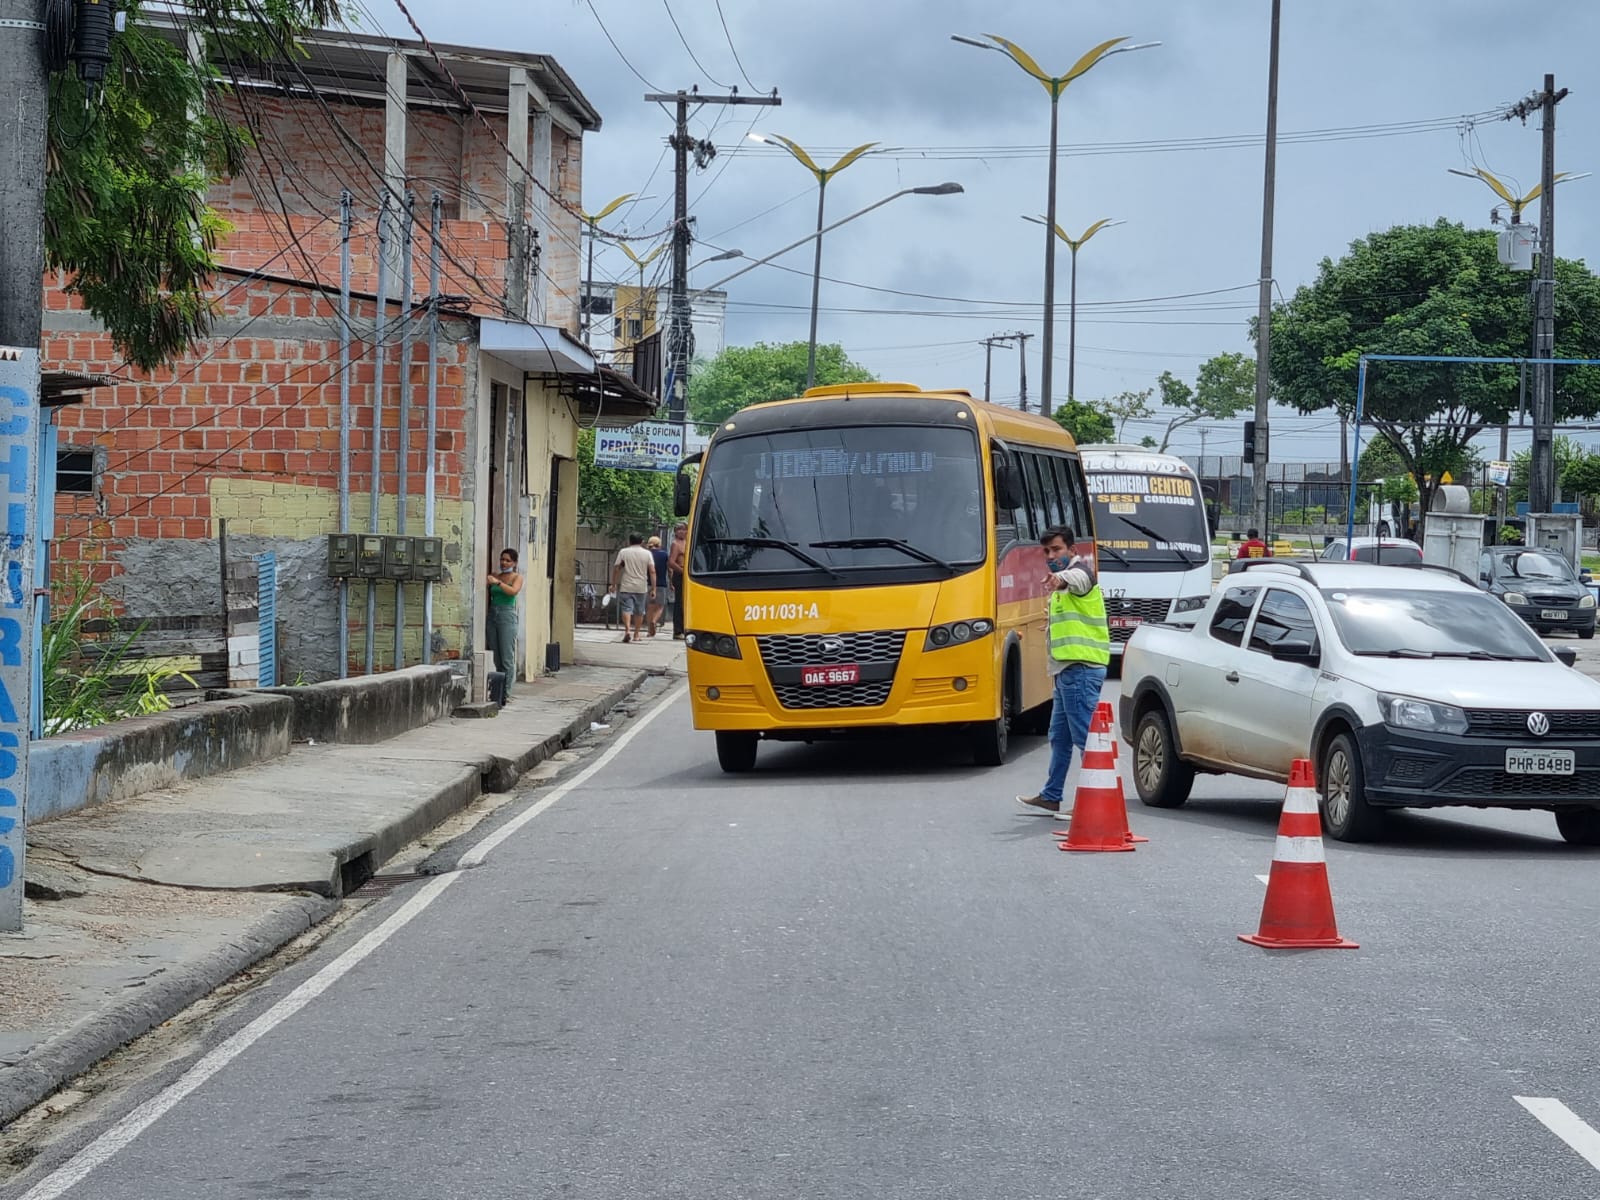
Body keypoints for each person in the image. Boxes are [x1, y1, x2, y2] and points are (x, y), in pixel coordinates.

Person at [1016, 526, 1111, 816]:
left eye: (1056, 549)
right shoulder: (1061, 589)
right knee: (1059, 737)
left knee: (1085, 739)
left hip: (1080, 670)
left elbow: (1079, 580)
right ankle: (1051, 795)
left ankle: (1097, 804)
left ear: (1072, 550)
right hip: (1067, 672)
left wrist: (1060, 578)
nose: (1051, 556)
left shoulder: (1080, 574)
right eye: (1046, 551)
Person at [485, 548, 523, 704]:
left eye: (508, 560)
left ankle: (506, 692)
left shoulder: (516, 577)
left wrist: (499, 583)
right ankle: (498, 689)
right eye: (502, 559)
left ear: (514, 563)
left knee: (507, 656)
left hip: (507, 616)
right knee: (497, 655)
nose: (504, 563)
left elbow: (513, 592)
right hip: (493, 614)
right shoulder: (495, 575)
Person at [610, 532, 656, 644]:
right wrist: (654, 588)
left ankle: (627, 630)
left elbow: (617, 568)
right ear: (642, 542)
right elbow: (652, 571)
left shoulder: (623, 552)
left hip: (626, 585)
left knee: (626, 609)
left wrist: (613, 584)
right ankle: (636, 634)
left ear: (629, 541)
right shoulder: (647, 554)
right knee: (639, 611)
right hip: (641, 587)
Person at [646, 534, 671, 638]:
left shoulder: (647, 554)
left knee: (650, 607)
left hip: (647, 583)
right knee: (660, 606)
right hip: (661, 583)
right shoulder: (664, 555)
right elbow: (669, 570)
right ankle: (654, 620)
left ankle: (649, 630)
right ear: (659, 544)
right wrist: (671, 581)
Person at [666, 522, 687, 639]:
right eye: (679, 530)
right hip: (680, 574)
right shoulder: (676, 544)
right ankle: (678, 630)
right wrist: (683, 572)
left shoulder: (688, 542)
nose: (682, 532)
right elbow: (671, 562)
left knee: (685, 602)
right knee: (679, 602)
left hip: (687, 574)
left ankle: (684, 628)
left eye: (684, 529)